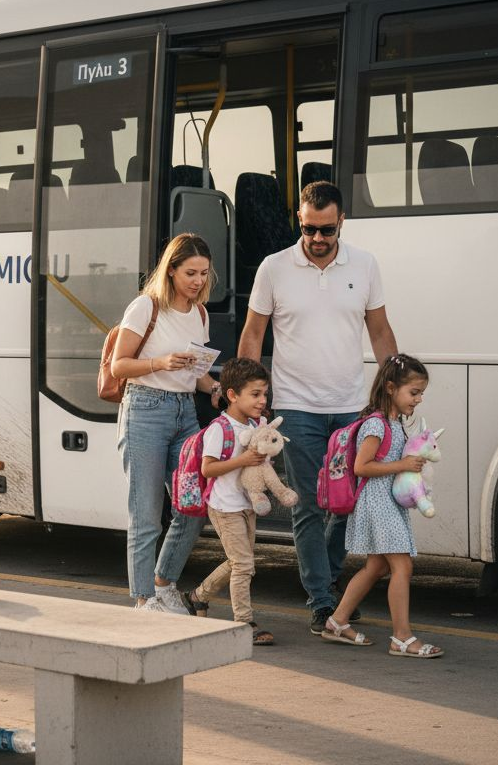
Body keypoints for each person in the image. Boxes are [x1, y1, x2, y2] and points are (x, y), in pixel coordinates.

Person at [238, 180, 399, 636]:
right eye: (309, 229)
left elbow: (381, 331)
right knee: (307, 504)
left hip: (350, 408)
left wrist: (389, 391)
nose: (317, 239)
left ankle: (327, 579)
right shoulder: (274, 268)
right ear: (300, 223)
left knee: (346, 503)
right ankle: (322, 599)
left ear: (341, 221)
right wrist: (249, 399)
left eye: (326, 230)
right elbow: (253, 335)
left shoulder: (365, 265)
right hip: (297, 407)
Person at [112, 233, 224, 613]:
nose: (197, 281)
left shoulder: (201, 314)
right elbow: (119, 365)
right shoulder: (146, 308)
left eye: (204, 274)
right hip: (145, 409)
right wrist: (160, 362)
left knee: (193, 504)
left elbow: (196, 372)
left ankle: (163, 583)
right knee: (145, 514)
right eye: (190, 272)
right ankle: (143, 599)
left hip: (185, 412)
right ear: (171, 270)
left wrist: (214, 387)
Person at [322, 354, 444, 658]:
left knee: (376, 566)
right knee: (402, 565)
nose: (418, 400)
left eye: (421, 394)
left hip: (385, 502)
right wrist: (402, 464)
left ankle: (337, 622)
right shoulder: (376, 425)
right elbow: (362, 467)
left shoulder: (393, 423)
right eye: (413, 392)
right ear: (390, 387)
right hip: (377, 503)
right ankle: (402, 637)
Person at [184, 357, 275, 645]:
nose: (262, 401)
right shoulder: (219, 429)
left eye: (264, 394)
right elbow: (207, 469)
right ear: (232, 395)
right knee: (244, 564)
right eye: (255, 394)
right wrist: (243, 459)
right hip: (224, 507)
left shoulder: (257, 424)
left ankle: (198, 596)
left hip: (246, 504)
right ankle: (243, 622)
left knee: (241, 563)